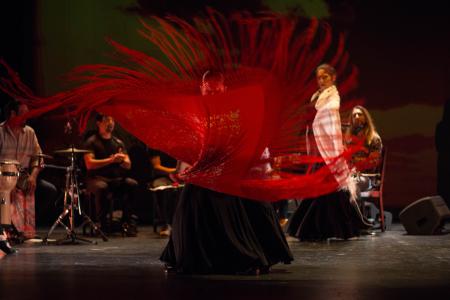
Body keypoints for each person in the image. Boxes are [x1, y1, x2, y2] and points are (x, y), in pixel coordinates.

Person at [160, 70, 293, 274]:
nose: (212, 96)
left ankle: (246, 256)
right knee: (191, 197)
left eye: (216, 92)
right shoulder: (199, 113)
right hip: (207, 173)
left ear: (225, 90)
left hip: (234, 171)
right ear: (201, 89)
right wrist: (185, 170)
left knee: (239, 199)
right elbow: (196, 147)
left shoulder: (236, 112)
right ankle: (183, 255)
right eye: (208, 92)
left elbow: (245, 145)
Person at [287, 64, 371, 241]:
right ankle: (329, 228)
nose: (321, 81)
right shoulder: (320, 98)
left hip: (327, 151)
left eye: (325, 77)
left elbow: (330, 128)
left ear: (333, 78)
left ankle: (316, 228)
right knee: (327, 191)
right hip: (320, 150)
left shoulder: (332, 101)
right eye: (319, 77)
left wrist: (335, 153)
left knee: (328, 190)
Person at [83, 113, 139, 236]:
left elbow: (128, 164)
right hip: (96, 179)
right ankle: (101, 224)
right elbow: (89, 164)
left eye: (112, 119)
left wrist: (122, 160)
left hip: (115, 179)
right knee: (102, 187)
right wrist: (111, 160)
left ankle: (127, 222)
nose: (110, 122)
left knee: (132, 184)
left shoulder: (118, 142)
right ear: (98, 123)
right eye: (107, 119)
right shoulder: (92, 142)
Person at [0, 100, 42, 253]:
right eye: (24, 113)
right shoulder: (1, 132)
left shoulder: (30, 132)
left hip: (24, 175)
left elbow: (38, 157)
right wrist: (6, 184)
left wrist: (33, 176)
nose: (27, 117)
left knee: (49, 190)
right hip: (3, 175)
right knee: (8, 194)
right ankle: (9, 232)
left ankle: (25, 231)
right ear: (13, 114)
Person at [344, 106, 383, 203]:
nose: (356, 117)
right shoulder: (349, 139)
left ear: (366, 118)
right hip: (351, 176)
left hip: (368, 178)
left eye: (360, 114)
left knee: (351, 184)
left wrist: (354, 162)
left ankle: (354, 216)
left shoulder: (374, 139)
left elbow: (373, 164)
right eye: (354, 116)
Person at [148, 149, 178, 237]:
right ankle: (166, 224)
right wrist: (173, 171)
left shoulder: (181, 143)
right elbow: (156, 166)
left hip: (179, 176)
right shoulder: (156, 145)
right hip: (161, 177)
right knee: (165, 190)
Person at [436, 99, 450, 208]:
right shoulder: (441, 126)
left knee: (443, 191)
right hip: (445, 160)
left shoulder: (440, 126)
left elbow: (438, 145)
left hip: (443, 161)